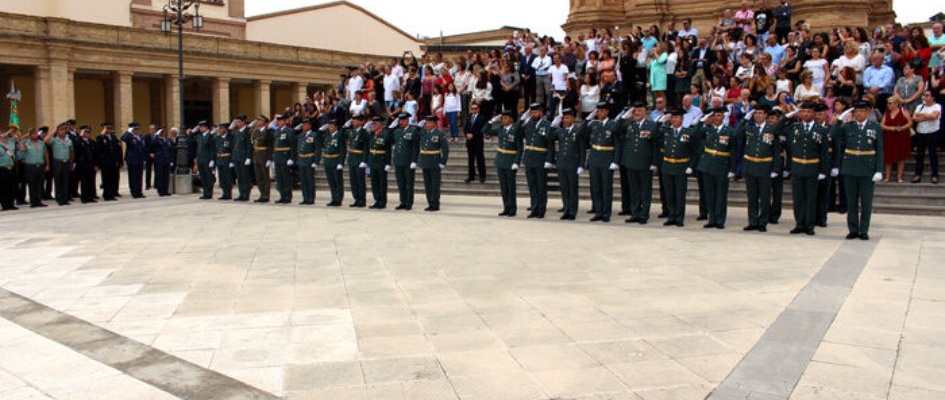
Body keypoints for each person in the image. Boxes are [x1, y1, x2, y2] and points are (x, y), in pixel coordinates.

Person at [834, 100, 884, 240]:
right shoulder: (848, 127)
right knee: (851, 201)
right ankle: (853, 229)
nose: (860, 113)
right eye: (857, 111)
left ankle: (864, 230)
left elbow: (879, 149)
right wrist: (840, 119)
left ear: (868, 112)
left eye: (862, 111)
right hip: (850, 168)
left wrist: (879, 169)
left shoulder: (875, 127)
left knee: (866, 202)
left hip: (867, 168)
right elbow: (832, 135)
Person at [785, 102, 829, 236]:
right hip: (797, 167)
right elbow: (777, 128)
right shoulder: (794, 128)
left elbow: (824, 153)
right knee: (798, 198)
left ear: (814, 114)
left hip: (812, 167)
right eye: (803, 111)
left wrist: (823, 171)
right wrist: (789, 115)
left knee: (811, 198)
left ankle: (810, 225)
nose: (805, 114)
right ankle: (799, 223)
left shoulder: (821, 130)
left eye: (808, 111)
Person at [737, 105, 783, 231]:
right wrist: (744, 119)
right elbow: (737, 134)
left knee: (764, 197)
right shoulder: (749, 128)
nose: (757, 115)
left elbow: (776, 151)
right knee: (752, 196)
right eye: (755, 113)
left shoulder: (771, 129)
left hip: (765, 167)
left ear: (765, 115)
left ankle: (763, 221)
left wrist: (775, 169)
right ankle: (752, 221)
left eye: (760, 113)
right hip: (750, 166)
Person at [616, 103, 660, 224]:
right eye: (635, 111)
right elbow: (616, 130)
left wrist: (654, 162)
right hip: (631, 162)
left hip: (645, 162)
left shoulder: (651, 125)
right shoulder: (629, 125)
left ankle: (644, 214)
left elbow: (655, 145)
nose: (637, 113)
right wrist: (624, 117)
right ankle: (635, 212)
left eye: (640, 110)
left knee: (645, 190)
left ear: (645, 112)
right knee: (634, 189)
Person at [695, 107, 738, 229]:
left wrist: (732, 169)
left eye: (719, 116)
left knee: (720, 195)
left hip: (721, 165)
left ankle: (720, 219)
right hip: (707, 165)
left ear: (723, 117)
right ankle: (711, 218)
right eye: (714, 116)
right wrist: (701, 121)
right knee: (709, 194)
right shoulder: (707, 130)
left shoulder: (729, 132)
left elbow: (733, 151)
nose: (716, 118)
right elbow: (694, 135)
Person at [658, 109, 697, 226]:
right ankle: (671, 216)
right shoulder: (666, 132)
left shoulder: (687, 133)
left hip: (681, 166)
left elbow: (695, 151)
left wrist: (691, 166)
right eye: (673, 118)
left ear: (682, 119)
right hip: (668, 166)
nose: (674, 120)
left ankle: (679, 218)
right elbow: (655, 135)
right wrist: (660, 121)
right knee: (669, 193)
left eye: (677, 118)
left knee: (679, 194)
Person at [586, 101, 623, 222]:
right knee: (595, 187)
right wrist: (587, 119)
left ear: (607, 111)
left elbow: (617, 144)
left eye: (602, 111)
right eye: (598, 111)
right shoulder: (594, 124)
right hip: (594, 158)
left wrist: (616, 161)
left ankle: (606, 213)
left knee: (606, 188)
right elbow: (581, 132)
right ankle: (598, 211)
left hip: (607, 159)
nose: (600, 113)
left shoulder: (612, 125)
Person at [485, 110, 523, 217]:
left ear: (511, 119)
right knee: (503, 187)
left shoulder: (516, 130)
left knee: (511, 187)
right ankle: (506, 207)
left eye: (505, 118)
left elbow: (520, 149)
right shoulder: (500, 129)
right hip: (500, 161)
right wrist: (491, 122)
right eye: (502, 118)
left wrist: (517, 162)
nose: (503, 120)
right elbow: (485, 130)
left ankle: (512, 208)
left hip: (511, 161)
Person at [550, 108, 586, 220]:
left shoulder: (578, 131)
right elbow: (548, 137)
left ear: (573, 118)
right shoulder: (560, 131)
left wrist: (581, 164)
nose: (566, 120)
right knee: (564, 188)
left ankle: (572, 211)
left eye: (568, 117)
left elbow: (582, 149)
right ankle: (566, 209)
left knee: (572, 188)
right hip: (562, 163)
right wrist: (552, 126)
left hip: (573, 163)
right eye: (564, 118)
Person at [418, 115, 449, 211]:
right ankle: (430, 202)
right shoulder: (424, 133)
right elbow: (415, 135)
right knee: (427, 184)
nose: (427, 124)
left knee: (435, 184)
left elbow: (445, 149)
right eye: (426, 123)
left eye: (429, 122)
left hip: (435, 161)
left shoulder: (439, 134)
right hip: (425, 161)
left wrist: (443, 162)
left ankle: (435, 203)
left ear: (434, 124)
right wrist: (419, 126)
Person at [911, 90, 941, 184]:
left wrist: (922, 115)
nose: (925, 97)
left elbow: (934, 116)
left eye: (927, 95)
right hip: (921, 132)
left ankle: (934, 175)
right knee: (920, 155)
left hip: (932, 132)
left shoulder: (937, 106)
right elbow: (914, 118)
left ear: (933, 97)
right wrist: (927, 116)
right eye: (924, 95)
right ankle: (917, 174)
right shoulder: (920, 106)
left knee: (933, 154)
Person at [391, 113, 419, 210]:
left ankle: (409, 202)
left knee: (409, 183)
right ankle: (402, 201)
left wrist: (414, 160)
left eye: (403, 121)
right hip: (398, 161)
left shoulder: (412, 131)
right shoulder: (397, 132)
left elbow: (415, 147)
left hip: (408, 161)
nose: (401, 122)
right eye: (400, 121)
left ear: (407, 121)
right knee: (400, 183)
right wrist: (391, 127)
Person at [17, 126, 49, 208]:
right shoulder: (26, 143)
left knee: (40, 184)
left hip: (40, 165)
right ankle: (33, 202)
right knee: (32, 184)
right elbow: (22, 149)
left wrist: (47, 164)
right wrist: (22, 138)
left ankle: (39, 201)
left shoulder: (41, 143)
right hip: (30, 166)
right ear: (30, 135)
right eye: (33, 134)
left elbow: (45, 153)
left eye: (36, 133)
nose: (35, 135)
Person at [367, 116, 393, 209]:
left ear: (381, 125)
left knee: (382, 182)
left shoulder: (385, 134)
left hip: (381, 160)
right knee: (374, 182)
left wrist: (387, 163)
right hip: (373, 161)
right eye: (373, 124)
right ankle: (377, 200)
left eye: (376, 124)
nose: (374, 125)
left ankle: (382, 201)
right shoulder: (372, 134)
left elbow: (388, 150)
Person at [319, 119, 346, 207]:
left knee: (338, 181)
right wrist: (320, 131)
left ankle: (338, 199)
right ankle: (334, 198)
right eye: (329, 126)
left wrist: (341, 162)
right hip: (328, 161)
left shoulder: (339, 135)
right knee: (331, 181)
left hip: (335, 160)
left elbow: (343, 150)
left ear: (336, 127)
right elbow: (319, 142)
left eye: (332, 126)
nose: (330, 127)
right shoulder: (327, 136)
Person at [345, 115, 370, 207]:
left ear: (360, 122)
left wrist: (364, 160)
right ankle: (356, 198)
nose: (353, 123)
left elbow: (366, 148)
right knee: (353, 181)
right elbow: (341, 135)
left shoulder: (364, 133)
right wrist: (344, 127)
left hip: (359, 159)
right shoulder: (351, 132)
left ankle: (362, 200)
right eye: (353, 121)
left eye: (355, 121)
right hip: (352, 158)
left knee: (360, 181)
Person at [46, 123, 73, 206]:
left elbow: (72, 152)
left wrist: (71, 162)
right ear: (57, 132)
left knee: (66, 180)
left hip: (66, 161)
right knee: (58, 180)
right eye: (60, 130)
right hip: (57, 161)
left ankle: (65, 198)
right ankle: (59, 199)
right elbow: (46, 140)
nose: (63, 131)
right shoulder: (54, 140)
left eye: (64, 130)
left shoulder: (69, 140)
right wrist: (53, 131)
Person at [294, 118, 319, 206]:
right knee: (303, 180)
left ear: (309, 126)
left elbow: (317, 149)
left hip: (309, 159)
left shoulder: (314, 135)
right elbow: (298, 147)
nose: (304, 126)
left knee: (310, 180)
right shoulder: (301, 135)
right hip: (301, 159)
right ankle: (305, 198)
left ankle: (311, 198)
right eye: (303, 125)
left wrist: (316, 161)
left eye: (305, 125)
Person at [96, 123, 122, 201]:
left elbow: (117, 150)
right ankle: (106, 195)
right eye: (106, 129)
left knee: (112, 178)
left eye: (109, 129)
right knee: (106, 179)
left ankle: (112, 194)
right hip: (105, 162)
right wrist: (102, 135)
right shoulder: (100, 137)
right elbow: (99, 146)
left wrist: (118, 160)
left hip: (113, 161)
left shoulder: (113, 137)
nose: (108, 130)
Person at [250, 115, 273, 203]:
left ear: (264, 122)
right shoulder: (255, 131)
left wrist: (269, 158)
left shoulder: (268, 132)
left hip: (264, 155)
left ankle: (266, 195)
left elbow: (270, 145)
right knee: (258, 176)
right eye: (257, 120)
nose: (258, 122)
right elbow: (252, 141)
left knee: (265, 176)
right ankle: (261, 193)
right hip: (256, 155)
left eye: (260, 120)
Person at [230, 116, 252, 202]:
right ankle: (241, 193)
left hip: (243, 157)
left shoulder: (247, 132)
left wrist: (248, 157)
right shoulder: (236, 132)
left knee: (245, 176)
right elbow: (233, 145)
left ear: (243, 122)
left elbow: (249, 146)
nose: (237, 124)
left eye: (238, 122)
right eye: (236, 122)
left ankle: (246, 194)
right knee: (239, 177)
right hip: (237, 157)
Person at [122, 122, 146, 199]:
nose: (137, 130)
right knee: (133, 176)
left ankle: (139, 191)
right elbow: (123, 138)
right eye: (135, 129)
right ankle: (134, 192)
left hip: (140, 159)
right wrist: (128, 131)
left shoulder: (141, 137)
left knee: (139, 176)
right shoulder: (129, 136)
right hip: (132, 160)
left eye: (138, 129)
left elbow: (143, 148)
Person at [192, 120, 216, 200]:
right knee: (203, 177)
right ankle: (205, 192)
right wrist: (192, 132)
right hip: (200, 160)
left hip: (207, 160)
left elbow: (212, 148)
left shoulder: (210, 136)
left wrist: (212, 159)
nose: (200, 129)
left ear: (206, 127)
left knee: (208, 177)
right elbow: (190, 140)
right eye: (200, 127)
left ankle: (209, 193)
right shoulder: (200, 136)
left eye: (202, 127)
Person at [464, 103, 487, 183]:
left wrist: (473, 135)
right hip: (470, 142)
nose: (473, 110)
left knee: (480, 159)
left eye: (475, 108)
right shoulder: (469, 117)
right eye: (472, 108)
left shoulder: (482, 118)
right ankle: (471, 176)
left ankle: (482, 176)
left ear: (478, 109)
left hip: (478, 141)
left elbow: (482, 129)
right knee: (470, 159)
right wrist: (467, 134)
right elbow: (466, 128)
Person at [213, 122, 234, 200]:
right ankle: (224, 193)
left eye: (222, 128)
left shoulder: (229, 137)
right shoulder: (217, 138)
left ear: (226, 129)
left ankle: (228, 193)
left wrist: (232, 160)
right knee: (222, 177)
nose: (220, 130)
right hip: (219, 159)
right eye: (219, 128)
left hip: (226, 158)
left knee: (227, 177)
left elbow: (231, 149)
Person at [151, 126, 173, 197]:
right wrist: (156, 135)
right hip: (159, 160)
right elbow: (153, 145)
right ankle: (160, 191)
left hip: (166, 160)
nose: (163, 133)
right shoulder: (156, 139)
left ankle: (165, 190)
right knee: (160, 176)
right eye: (161, 132)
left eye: (163, 132)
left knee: (166, 176)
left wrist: (171, 160)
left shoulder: (167, 139)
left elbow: (170, 150)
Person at [0, 127, 18, 211]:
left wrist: (13, 132)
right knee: (3, 188)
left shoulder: (11, 142)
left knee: (12, 186)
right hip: (2, 168)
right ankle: (5, 204)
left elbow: (18, 138)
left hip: (11, 167)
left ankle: (11, 204)